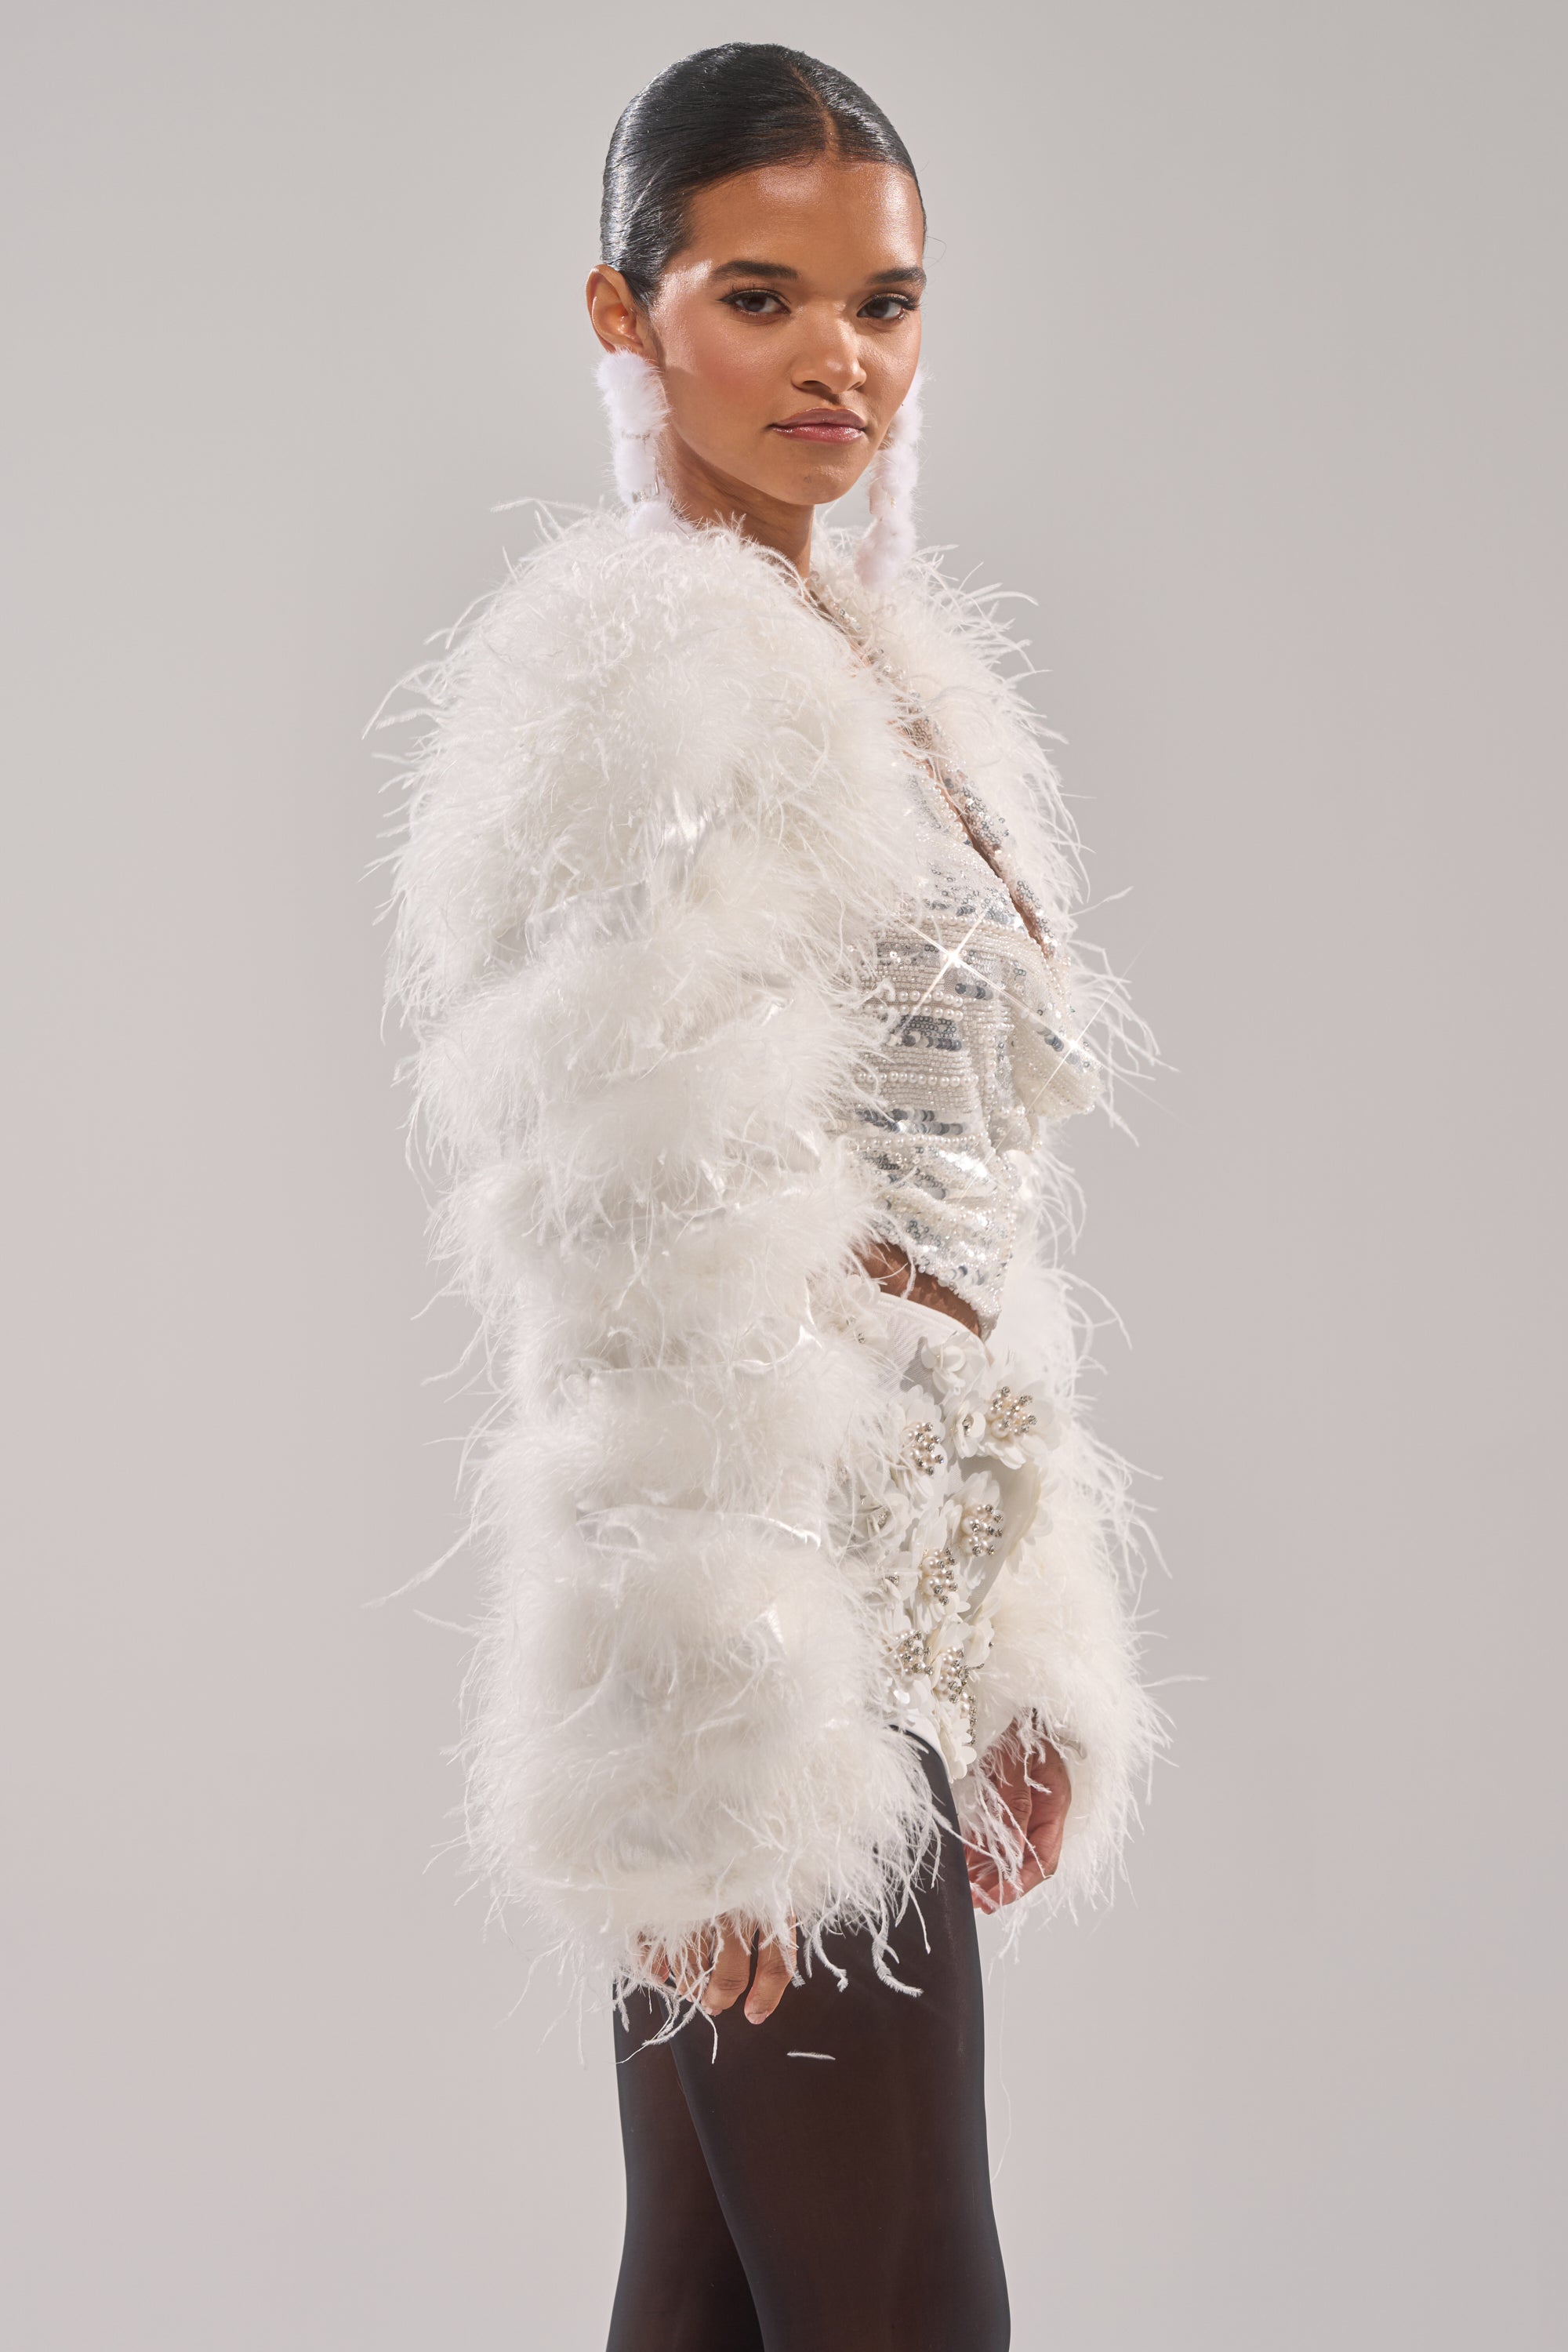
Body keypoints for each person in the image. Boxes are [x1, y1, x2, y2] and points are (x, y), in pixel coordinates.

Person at [388, 42, 1160, 2350]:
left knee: (720, 2296)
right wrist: (710, 1756)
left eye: (886, 304)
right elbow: (638, 1263)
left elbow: (960, 1226)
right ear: (624, 317)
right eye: (763, 298)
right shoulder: (640, 693)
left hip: (891, 1598)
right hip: (768, 1635)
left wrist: (1011, 1620)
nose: (844, 361)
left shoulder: (877, 676)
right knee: (904, 2304)